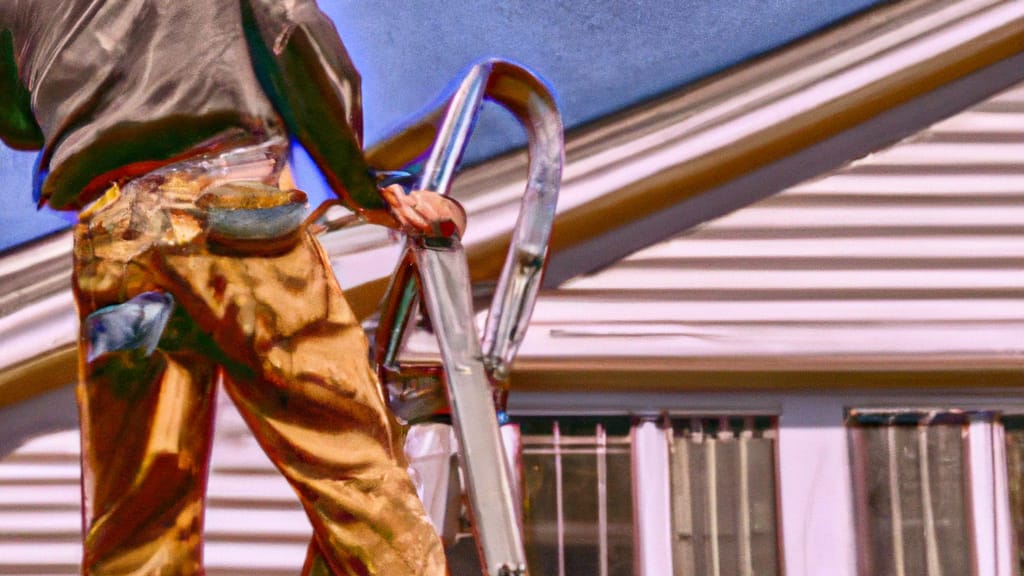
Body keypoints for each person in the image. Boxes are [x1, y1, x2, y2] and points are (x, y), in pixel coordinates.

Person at [0, 1, 460, 574]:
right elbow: (290, 27)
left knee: (137, 513)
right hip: (234, 206)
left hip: (116, 242)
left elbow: (16, 121)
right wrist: (360, 186)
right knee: (350, 464)